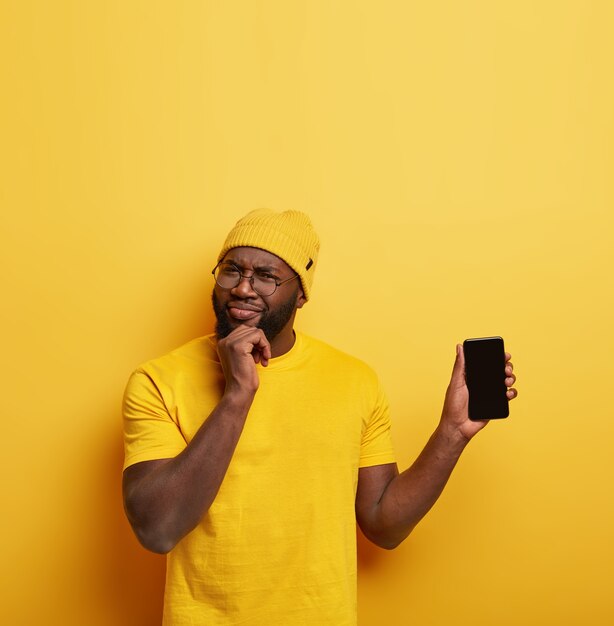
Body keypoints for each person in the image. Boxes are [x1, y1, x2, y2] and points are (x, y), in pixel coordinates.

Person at [122, 208, 518, 625]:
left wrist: (452, 432)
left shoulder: (354, 381)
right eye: (231, 270)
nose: (242, 288)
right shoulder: (158, 380)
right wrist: (238, 394)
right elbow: (157, 529)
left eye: (266, 277)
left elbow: (385, 525)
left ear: (302, 294)